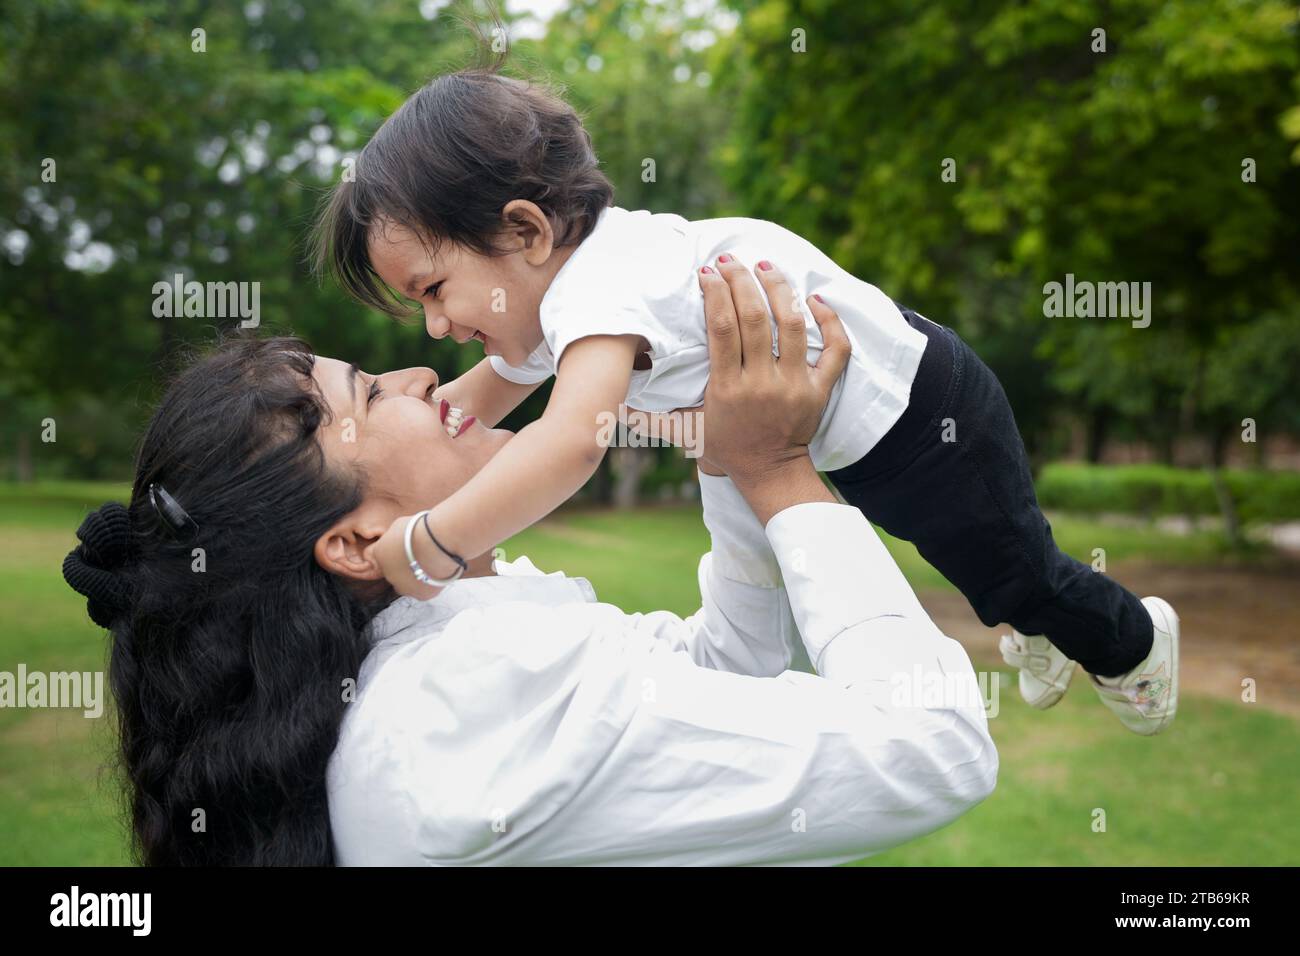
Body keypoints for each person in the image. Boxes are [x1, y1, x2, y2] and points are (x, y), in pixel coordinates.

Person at [313, 65, 1178, 736]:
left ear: (526, 232)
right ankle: (1027, 607)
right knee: (979, 558)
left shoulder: (603, 290)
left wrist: (430, 543)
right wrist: (400, 425)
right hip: (852, 436)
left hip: (922, 417)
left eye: (432, 290)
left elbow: (573, 442)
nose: (432, 331)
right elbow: (478, 402)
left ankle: (1134, 643)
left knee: (1015, 567)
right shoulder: (556, 297)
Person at [63, 262, 996, 866]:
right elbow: (929, 747)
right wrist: (780, 471)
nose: (421, 374)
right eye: (372, 393)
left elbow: (720, 674)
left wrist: (730, 443)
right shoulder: (466, 698)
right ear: (350, 544)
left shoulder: (456, 635)